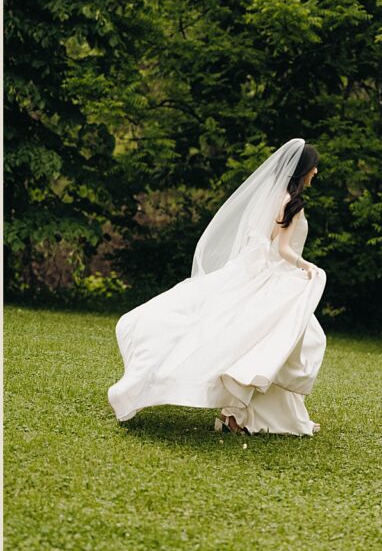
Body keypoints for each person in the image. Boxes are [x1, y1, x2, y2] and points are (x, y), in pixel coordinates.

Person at [108, 139, 328, 436]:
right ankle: (241, 414)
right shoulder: (293, 204)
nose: (315, 171)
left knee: (271, 343)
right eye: (313, 166)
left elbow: (262, 243)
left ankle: (254, 415)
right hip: (279, 277)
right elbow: (285, 249)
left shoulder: (272, 198)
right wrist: (309, 267)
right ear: (303, 170)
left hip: (269, 275)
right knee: (283, 343)